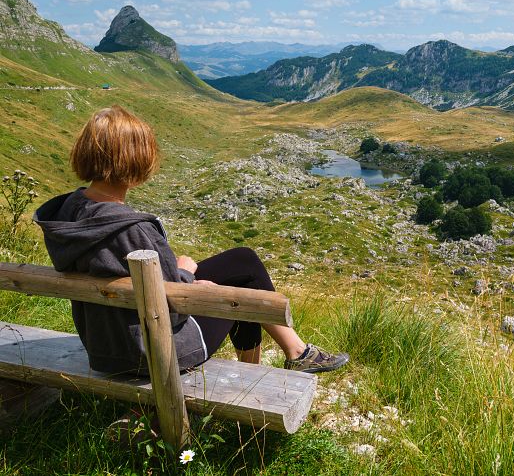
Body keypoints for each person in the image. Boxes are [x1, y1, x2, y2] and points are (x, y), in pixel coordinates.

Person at [33, 105, 349, 375]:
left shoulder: (70, 212)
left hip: (106, 344)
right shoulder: (131, 229)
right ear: (135, 159)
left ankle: (293, 353)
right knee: (240, 289)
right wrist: (189, 276)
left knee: (243, 261)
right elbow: (170, 310)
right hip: (152, 351)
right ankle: (270, 368)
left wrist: (186, 277)